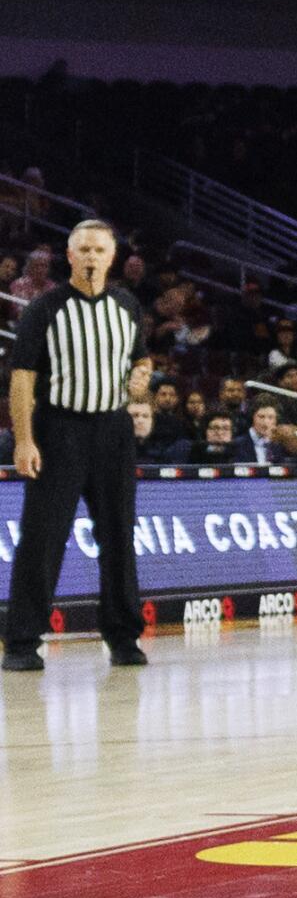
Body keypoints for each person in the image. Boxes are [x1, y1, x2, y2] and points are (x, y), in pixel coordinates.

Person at [4, 219, 149, 670]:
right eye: (83, 249)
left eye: (99, 250)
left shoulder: (127, 304)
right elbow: (23, 378)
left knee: (119, 535)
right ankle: (23, 642)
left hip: (112, 432)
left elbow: (140, 356)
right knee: (43, 537)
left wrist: (142, 374)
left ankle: (123, 638)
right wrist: (24, 440)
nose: (90, 257)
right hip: (59, 429)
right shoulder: (44, 308)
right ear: (69, 256)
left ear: (112, 257)